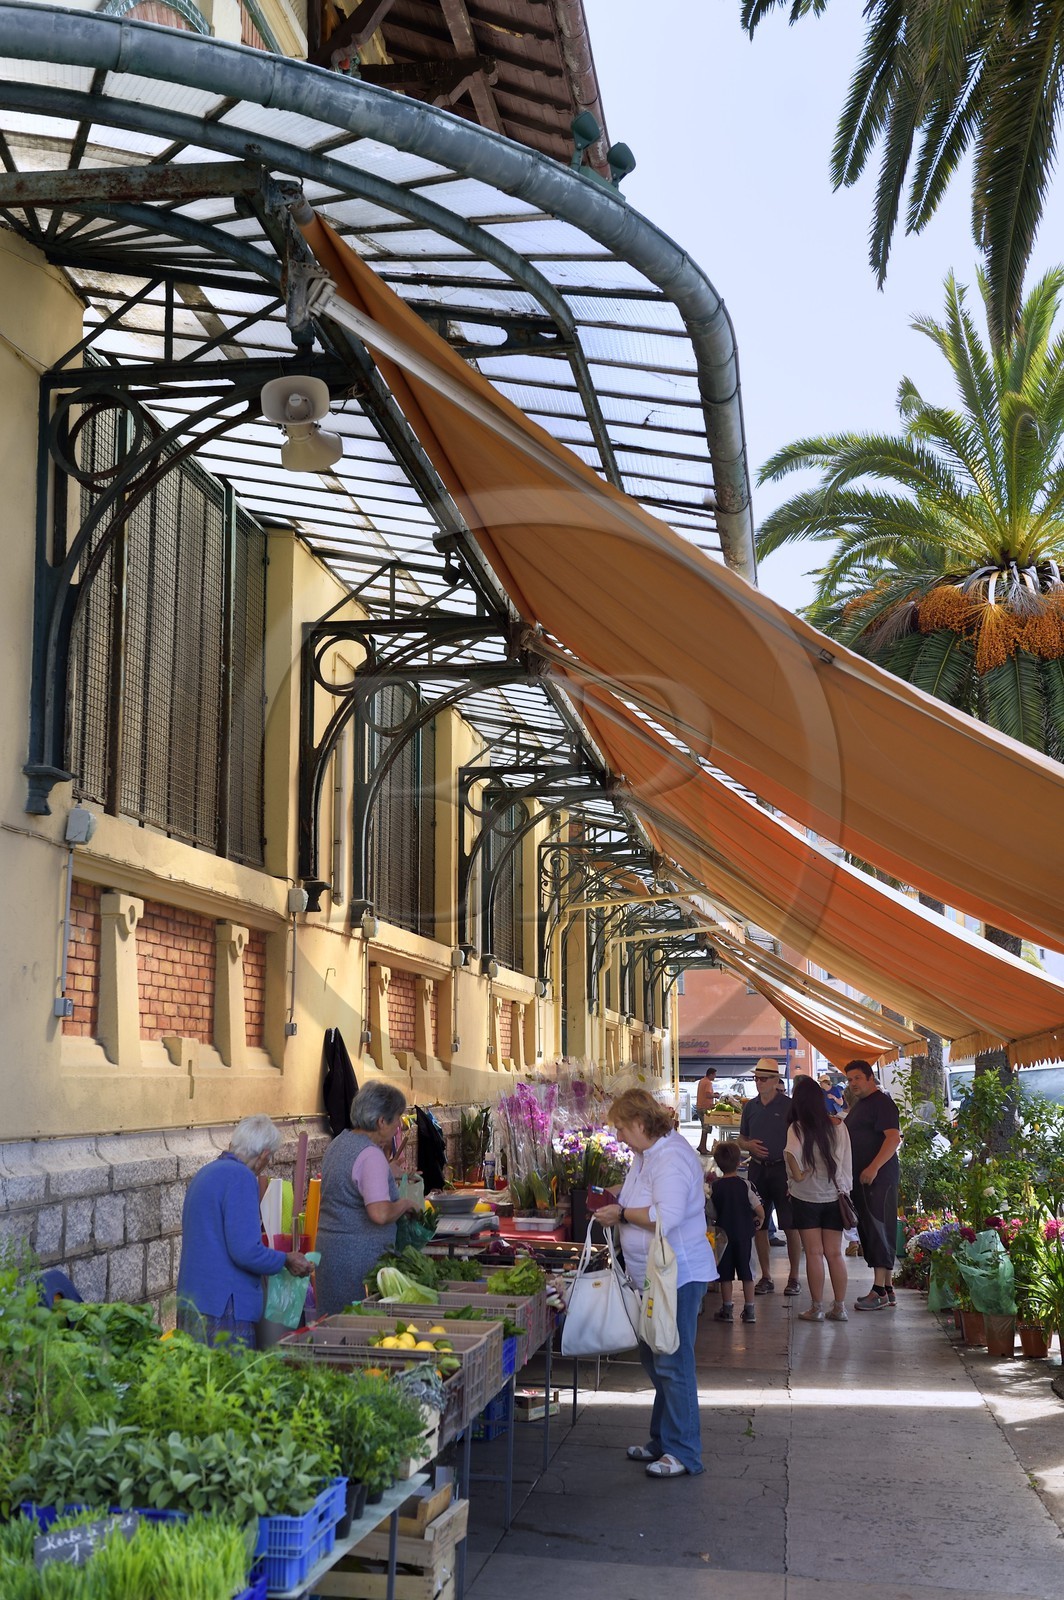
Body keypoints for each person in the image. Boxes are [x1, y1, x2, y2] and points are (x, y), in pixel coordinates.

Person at [595, 1088, 717, 1479]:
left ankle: (684, 1451)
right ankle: (663, 1440)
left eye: (621, 1128)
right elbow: (639, 1198)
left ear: (642, 1124)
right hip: (652, 1277)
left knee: (672, 1361)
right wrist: (616, 1198)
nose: (618, 1136)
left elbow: (667, 1216)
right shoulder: (646, 1156)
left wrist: (623, 1214)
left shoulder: (671, 1158)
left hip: (676, 1275)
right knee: (656, 1358)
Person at [177, 1114, 311, 1347]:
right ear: (264, 1156)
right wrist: (286, 1259)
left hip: (194, 1300)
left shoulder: (206, 1173)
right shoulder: (241, 1177)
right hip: (224, 1305)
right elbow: (246, 1251)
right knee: (230, 1378)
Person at [315, 1082, 419, 1316]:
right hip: (358, 1260)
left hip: (331, 1253)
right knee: (360, 1331)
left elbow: (352, 1179)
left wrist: (388, 1171)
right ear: (381, 1121)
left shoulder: (340, 1143)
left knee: (334, 1327)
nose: (398, 1126)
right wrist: (404, 1204)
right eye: (397, 1119)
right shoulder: (371, 1155)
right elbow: (380, 1213)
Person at [784, 1075, 854, 1322]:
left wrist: (797, 1178)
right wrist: (844, 1190)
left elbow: (791, 1154)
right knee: (835, 1253)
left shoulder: (797, 1127)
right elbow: (846, 1165)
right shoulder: (838, 1125)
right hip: (834, 1197)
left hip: (805, 1197)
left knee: (813, 1253)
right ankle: (840, 1307)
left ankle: (816, 1308)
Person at [737, 1059, 803, 1296]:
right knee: (759, 1225)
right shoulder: (750, 1107)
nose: (758, 1082)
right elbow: (741, 1138)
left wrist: (796, 1175)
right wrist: (748, 1145)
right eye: (756, 1078)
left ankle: (794, 1276)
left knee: (791, 1225)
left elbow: (803, 1141)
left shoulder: (790, 1107)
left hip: (783, 1171)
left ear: (776, 1081)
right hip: (757, 1169)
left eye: (763, 1078)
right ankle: (765, 1276)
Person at [844, 1060, 902, 1310]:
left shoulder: (882, 1103)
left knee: (879, 1228)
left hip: (878, 1179)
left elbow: (893, 1138)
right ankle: (887, 1288)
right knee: (874, 1229)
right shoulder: (862, 1105)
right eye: (849, 1079)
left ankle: (878, 1290)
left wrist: (874, 1167)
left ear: (870, 1078)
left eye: (857, 1078)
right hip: (865, 1179)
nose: (853, 1083)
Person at [708, 1140, 763, 1323]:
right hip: (744, 1234)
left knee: (725, 1275)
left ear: (718, 1163)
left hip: (723, 1235)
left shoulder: (715, 1187)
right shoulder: (745, 1185)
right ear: (739, 1161)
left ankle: (728, 1309)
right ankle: (750, 1310)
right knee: (747, 1273)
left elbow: (712, 1212)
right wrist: (759, 1219)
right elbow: (758, 1208)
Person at [695, 1066, 718, 1154]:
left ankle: (701, 1146)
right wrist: (715, 1096)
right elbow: (708, 1095)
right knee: (705, 1129)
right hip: (704, 1108)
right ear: (711, 1074)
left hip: (699, 1107)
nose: (715, 1077)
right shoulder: (708, 1083)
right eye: (714, 1075)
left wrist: (713, 1094)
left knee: (704, 1128)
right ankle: (703, 1148)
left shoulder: (702, 1081)